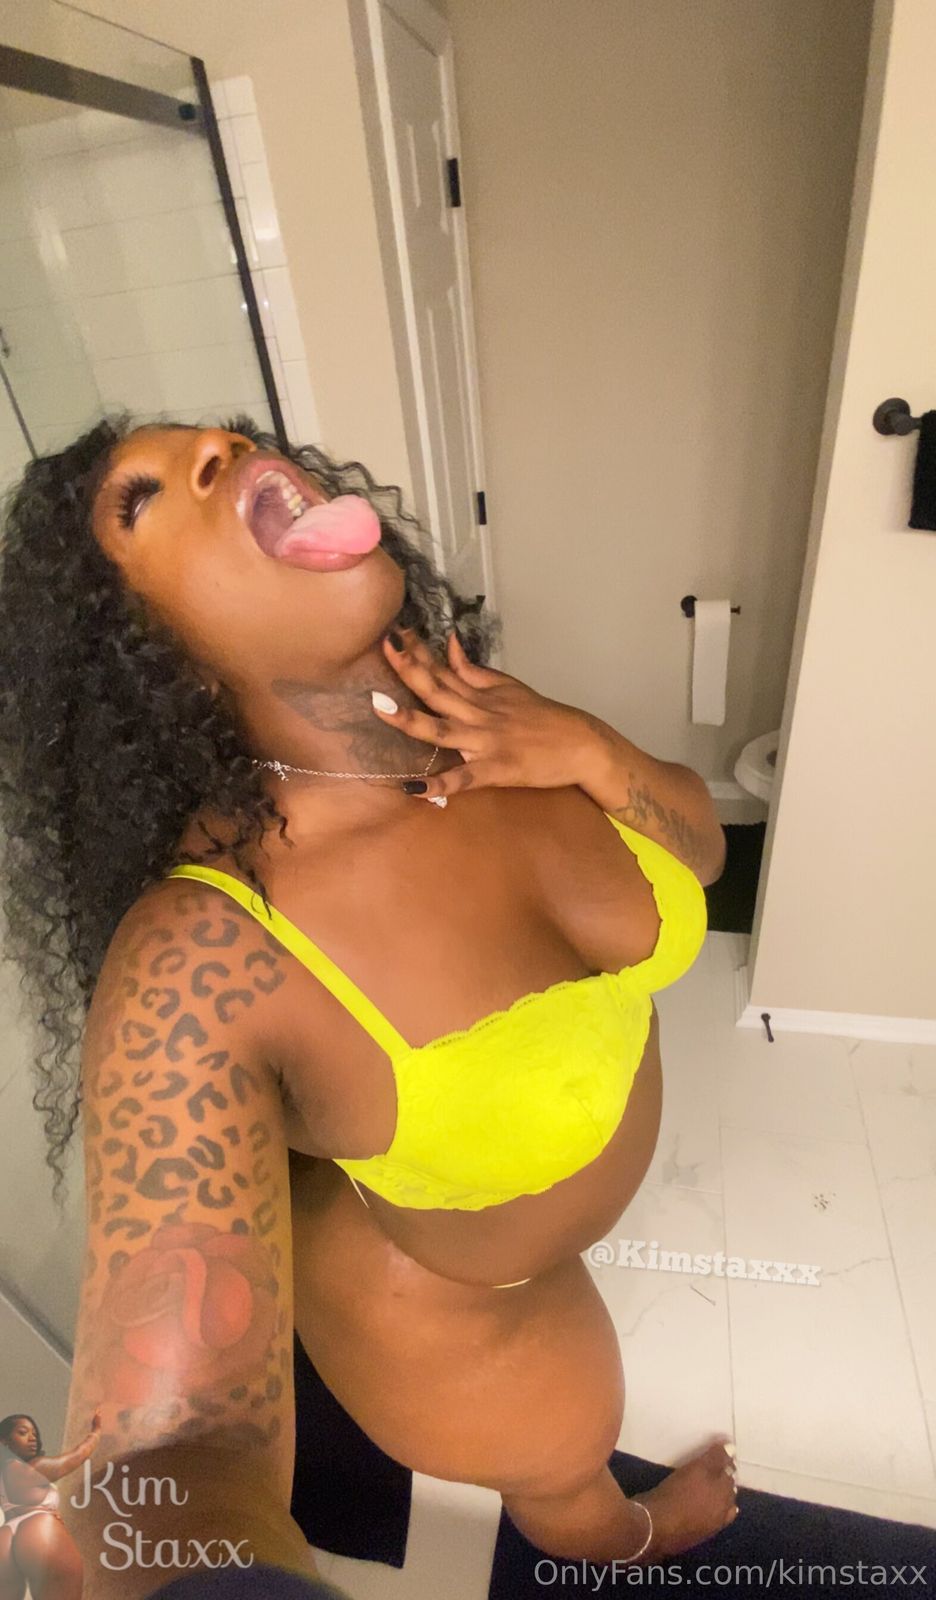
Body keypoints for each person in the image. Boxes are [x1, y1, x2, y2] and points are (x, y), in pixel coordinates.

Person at [0, 414, 735, 1596]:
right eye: (143, 497)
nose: (218, 448)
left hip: (520, 1229)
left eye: (222, 438)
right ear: (139, 658)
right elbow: (162, 1460)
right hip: (459, 1317)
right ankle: (627, 1540)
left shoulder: (476, 710)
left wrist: (596, 751)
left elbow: (699, 851)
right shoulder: (200, 957)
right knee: (573, 1477)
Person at [0, 1410, 100, 1600]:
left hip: (5, 1539)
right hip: (38, 1530)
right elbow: (78, 1456)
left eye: (34, 1434)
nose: (32, 1438)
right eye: (23, 1433)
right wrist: (96, 1432)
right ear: (4, 1442)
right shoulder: (35, 1467)